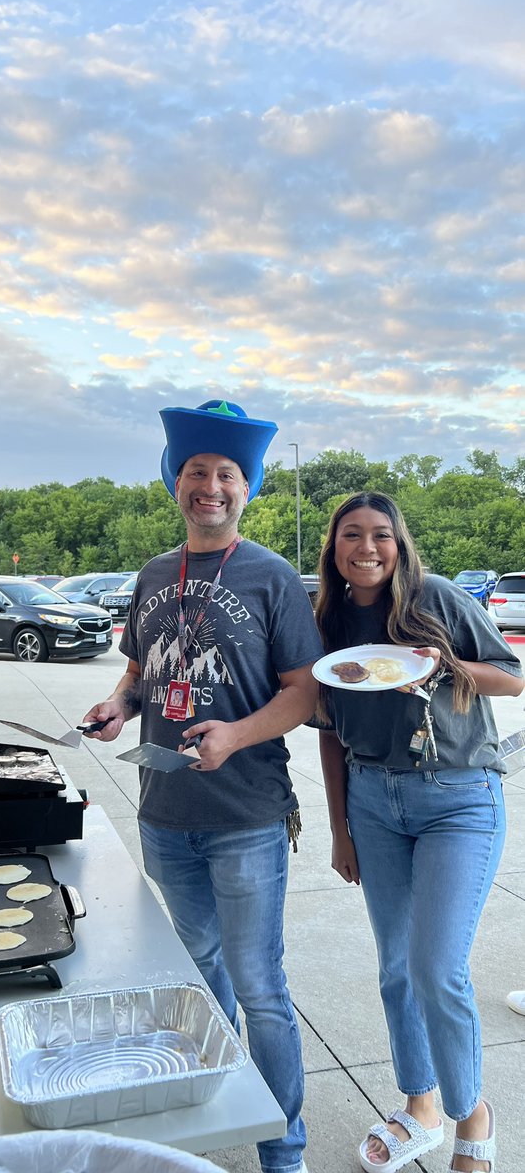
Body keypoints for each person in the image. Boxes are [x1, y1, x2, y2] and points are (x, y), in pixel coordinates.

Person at [84, 399, 323, 1173]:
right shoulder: (155, 573)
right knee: (199, 973)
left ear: (245, 489)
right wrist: (118, 705)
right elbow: (137, 669)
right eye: (197, 472)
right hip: (164, 814)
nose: (210, 486)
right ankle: (215, 1094)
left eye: (227, 474)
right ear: (175, 482)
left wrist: (236, 735)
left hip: (246, 814)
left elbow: (304, 691)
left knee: (259, 988)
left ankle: (282, 1149)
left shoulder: (272, 576)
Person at [315, 491, 523, 1173]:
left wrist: (446, 666)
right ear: (335, 546)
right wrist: (341, 829)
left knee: (437, 969)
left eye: (381, 535)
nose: (367, 547)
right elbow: (328, 734)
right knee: (397, 971)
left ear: (399, 544)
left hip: (459, 799)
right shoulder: (329, 618)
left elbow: (512, 678)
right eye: (352, 535)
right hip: (373, 803)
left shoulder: (435, 599)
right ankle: (420, 1107)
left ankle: (473, 1113)